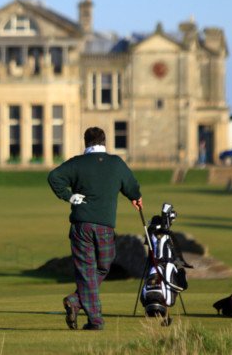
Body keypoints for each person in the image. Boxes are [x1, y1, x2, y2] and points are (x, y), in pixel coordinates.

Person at [47, 127, 143, 330]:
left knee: (90, 271)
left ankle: (75, 301)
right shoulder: (116, 163)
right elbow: (132, 186)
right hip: (105, 227)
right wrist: (135, 197)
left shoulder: (77, 162)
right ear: (105, 143)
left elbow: (54, 177)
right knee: (101, 268)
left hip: (81, 226)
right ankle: (95, 320)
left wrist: (69, 196)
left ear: (86, 143)